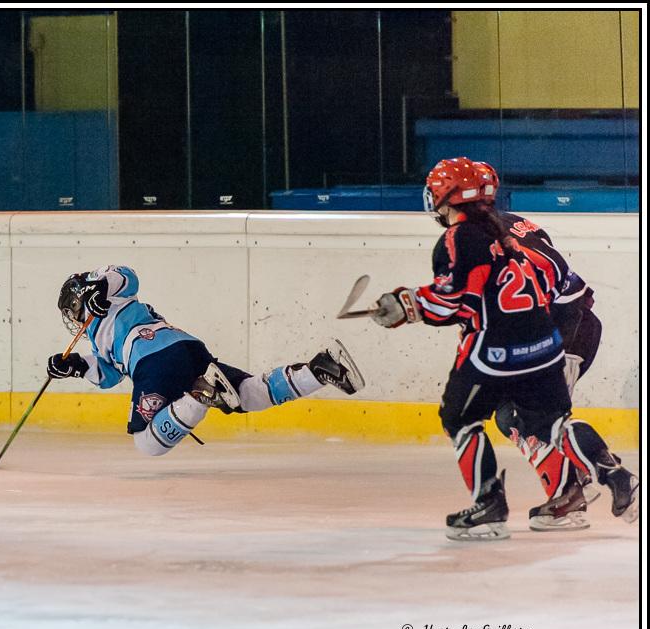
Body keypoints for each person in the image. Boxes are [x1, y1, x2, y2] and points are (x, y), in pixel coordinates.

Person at [370, 157, 638, 540]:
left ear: (445, 196)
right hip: (553, 331)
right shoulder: (512, 225)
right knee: (541, 420)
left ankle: (541, 500)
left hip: (552, 334)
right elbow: (569, 285)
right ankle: (604, 481)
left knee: (497, 418)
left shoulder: (460, 238)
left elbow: (455, 300)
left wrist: (408, 306)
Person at [48, 266, 364, 457]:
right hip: (185, 347)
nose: (74, 320)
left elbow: (126, 276)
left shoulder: (111, 297)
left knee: (148, 443)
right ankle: (319, 369)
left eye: (71, 311)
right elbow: (109, 375)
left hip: (153, 360)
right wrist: (75, 365)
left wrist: (101, 287)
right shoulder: (97, 339)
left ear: (78, 301)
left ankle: (200, 393)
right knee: (248, 395)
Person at [470, 162, 606, 531]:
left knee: (528, 416)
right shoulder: (509, 221)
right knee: (515, 415)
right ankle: (571, 494)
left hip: (566, 330)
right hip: (565, 325)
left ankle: (603, 480)